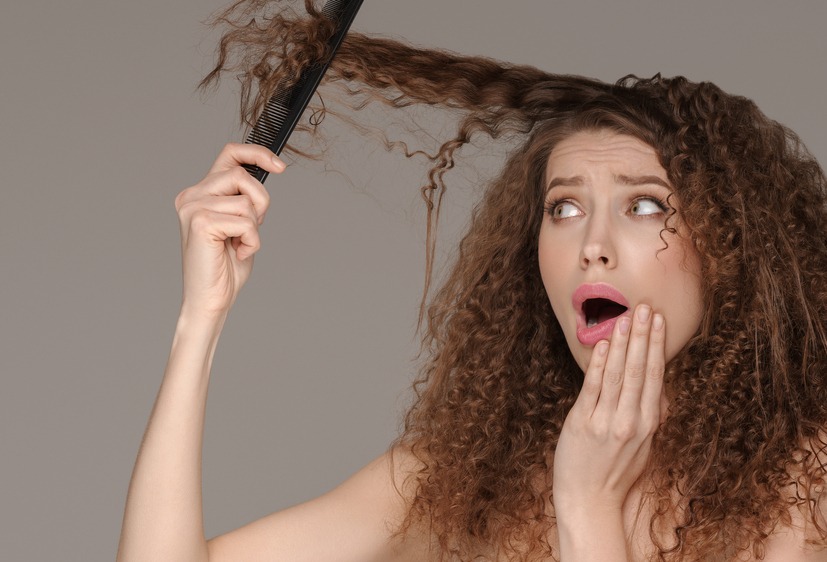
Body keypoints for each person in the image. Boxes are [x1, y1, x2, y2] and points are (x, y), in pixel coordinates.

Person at [117, 2, 827, 561]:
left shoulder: (807, 485)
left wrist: (585, 505)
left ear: (732, 250)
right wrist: (199, 321)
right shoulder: (463, 479)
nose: (592, 248)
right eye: (564, 208)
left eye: (644, 205)